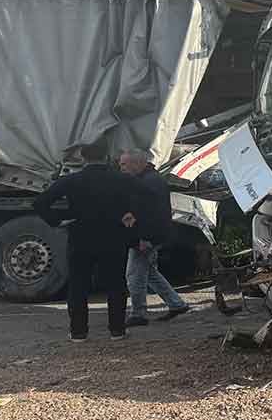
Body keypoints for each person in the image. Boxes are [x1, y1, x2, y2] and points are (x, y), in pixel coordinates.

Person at [33, 143, 148, 342]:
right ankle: (117, 330)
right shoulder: (120, 179)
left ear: (83, 158)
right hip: (114, 238)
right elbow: (147, 196)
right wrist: (131, 213)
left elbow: (40, 203)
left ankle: (78, 332)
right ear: (106, 157)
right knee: (115, 285)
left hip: (81, 238)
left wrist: (59, 219)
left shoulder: (72, 180)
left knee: (78, 285)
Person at [119, 149, 191, 326]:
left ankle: (139, 314)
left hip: (146, 237)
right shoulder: (150, 180)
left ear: (137, 164)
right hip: (152, 235)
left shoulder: (148, 183)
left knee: (134, 274)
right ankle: (176, 304)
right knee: (149, 272)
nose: (121, 168)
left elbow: (151, 215)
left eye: (124, 164)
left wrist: (144, 238)